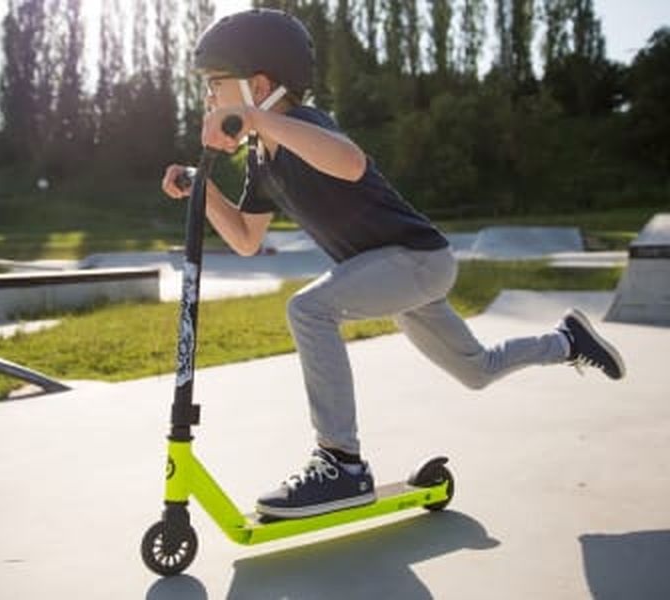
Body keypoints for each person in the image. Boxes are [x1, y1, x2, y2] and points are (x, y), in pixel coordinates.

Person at [161, 8, 626, 520]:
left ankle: (341, 462)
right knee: (477, 369)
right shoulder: (259, 160)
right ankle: (567, 341)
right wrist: (203, 191)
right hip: (390, 274)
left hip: (418, 261)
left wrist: (257, 121)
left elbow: (350, 163)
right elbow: (247, 239)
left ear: (259, 86)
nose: (208, 98)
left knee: (309, 309)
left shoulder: (304, 125)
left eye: (215, 84)